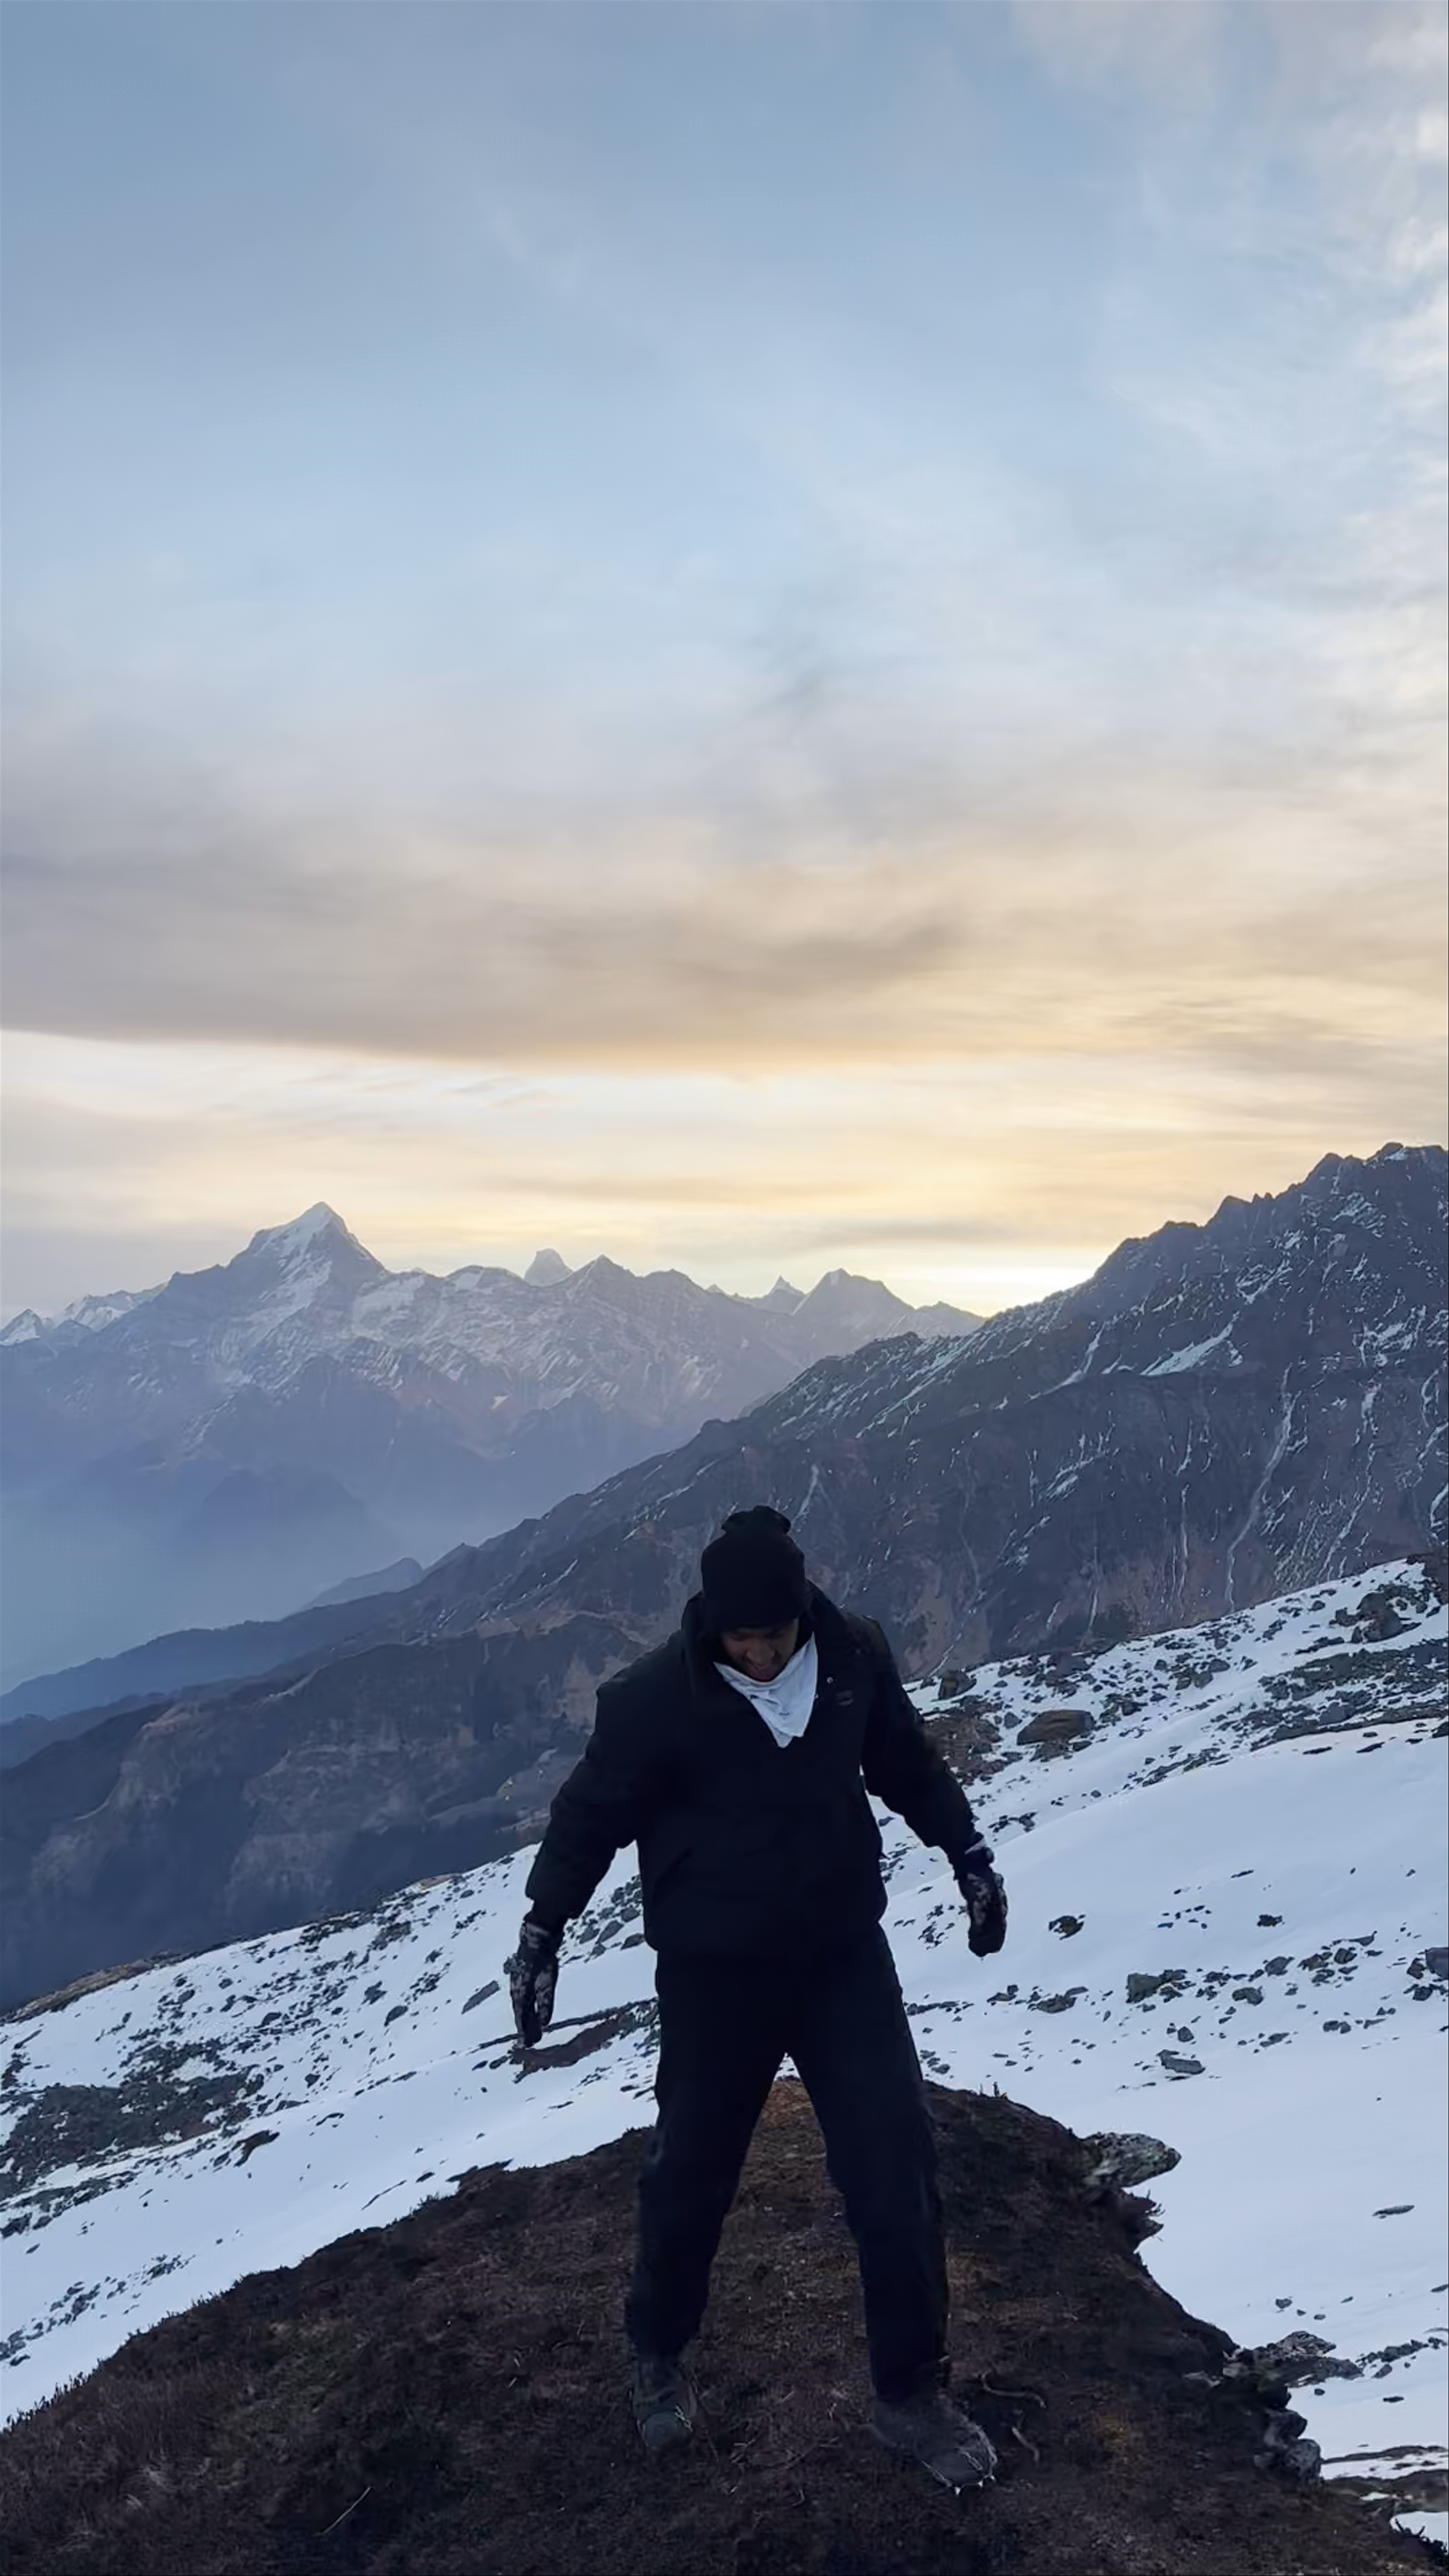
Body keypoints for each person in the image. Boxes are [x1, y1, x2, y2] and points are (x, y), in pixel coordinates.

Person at [505, 1504, 1009, 2489]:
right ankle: (658, 2351)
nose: (766, 1657)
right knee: (690, 2171)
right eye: (745, 1640)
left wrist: (969, 1855)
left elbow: (905, 1762)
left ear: (800, 1617)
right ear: (712, 1627)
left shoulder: (853, 1658)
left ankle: (910, 2393)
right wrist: (541, 1933)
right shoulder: (656, 1702)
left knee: (894, 2165)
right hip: (714, 1973)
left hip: (839, 1959)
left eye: (777, 1637)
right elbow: (587, 1818)